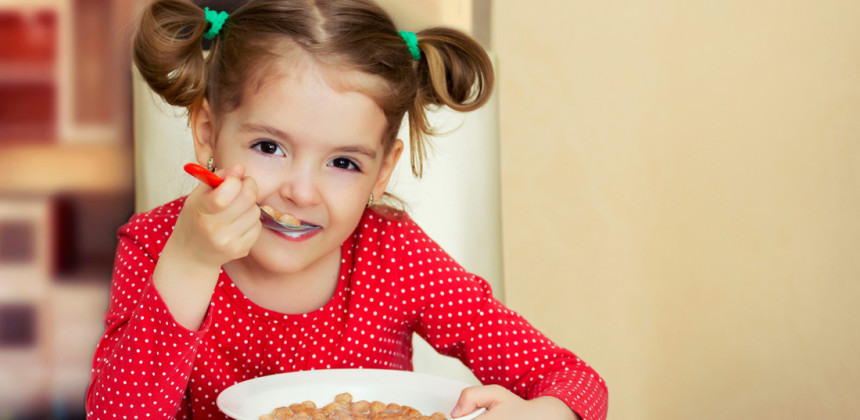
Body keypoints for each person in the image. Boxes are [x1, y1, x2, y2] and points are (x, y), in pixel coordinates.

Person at [86, 0, 608, 419]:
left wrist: (544, 412)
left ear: (382, 173)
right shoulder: (158, 245)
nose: (302, 192)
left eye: (342, 162)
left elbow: (575, 380)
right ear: (207, 133)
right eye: (269, 147)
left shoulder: (395, 256)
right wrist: (189, 262)